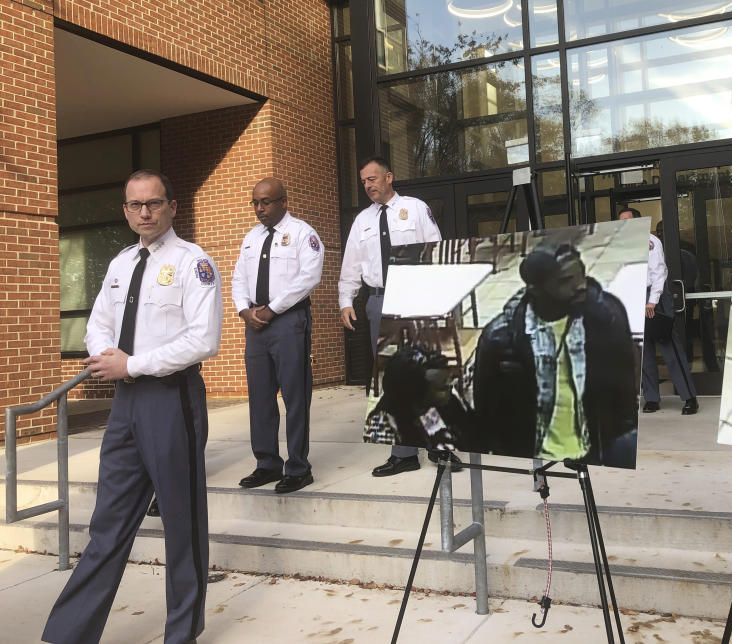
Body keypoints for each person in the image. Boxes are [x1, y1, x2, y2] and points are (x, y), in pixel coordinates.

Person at [42, 170, 222, 644]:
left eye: (154, 204)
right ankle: (69, 634)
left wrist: (134, 364)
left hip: (172, 399)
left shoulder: (193, 263)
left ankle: (181, 632)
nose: (144, 212)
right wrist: (108, 358)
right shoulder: (121, 263)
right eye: (135, 205)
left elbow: (203, 339)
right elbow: (98, 323)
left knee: (182, 523)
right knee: (108, 522)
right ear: (125, 210)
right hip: (125, 404)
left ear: (172, 207)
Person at [338, 155, 464, 475]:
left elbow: (435, 250)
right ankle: (404, 454)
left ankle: (439, 446)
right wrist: (345, 300)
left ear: (389, 177)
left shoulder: (416, 208)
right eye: (364, 181)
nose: (368, 185)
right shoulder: (362, 221)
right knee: (390, 378)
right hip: (380, 301)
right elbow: (351, 264)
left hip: (417, 296)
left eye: (373, 179)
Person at [472, 242, 638, 467]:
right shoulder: (499, 339)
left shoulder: (608, 317)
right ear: (536, 289)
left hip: (599, 454)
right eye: (565, 281)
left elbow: (626, 387)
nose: (580, 286)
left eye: (581, 275)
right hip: (535, 461)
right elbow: (486, 412)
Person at [232, 178, 324, 494]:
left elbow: (308, 278)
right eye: (255, 202)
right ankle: (267, 464)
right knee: (260, 399)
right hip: (255, 325)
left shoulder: (302, 234)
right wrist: (245, 310)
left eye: (266, 202)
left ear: (283, 201)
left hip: (288, 323)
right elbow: (238, 279)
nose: (260, 208)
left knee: (295, 397)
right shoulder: (250, 239)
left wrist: (272, 309)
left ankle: (298, 467)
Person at [619, 210, 698, 415]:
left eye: (628, 220)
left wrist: (652, 301)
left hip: (653, 298)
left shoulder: (650, 241)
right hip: (633, 298)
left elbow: (659, 273)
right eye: (621, 221)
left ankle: (689, 397)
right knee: (642, 353)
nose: (624, 224)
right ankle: (651, 398)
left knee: (669, 348)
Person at [363, 346, 476, 453]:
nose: (450, 386)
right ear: (415, 393)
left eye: (448, 380)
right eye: (442, 388)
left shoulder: (439, 403)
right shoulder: (380, 431)